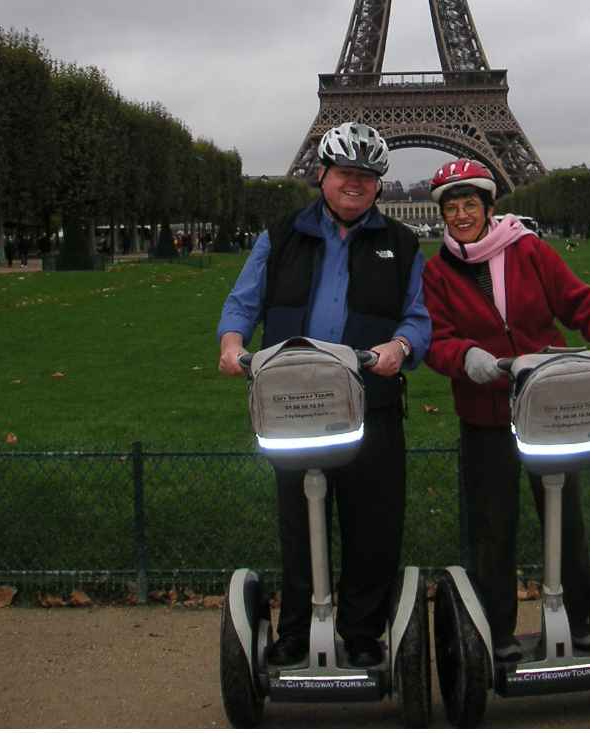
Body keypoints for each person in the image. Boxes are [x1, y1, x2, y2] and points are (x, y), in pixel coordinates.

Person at [217, 122, 431, 669]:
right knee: (298, 520)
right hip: (295, 400)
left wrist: (402, 347)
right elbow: (245, 298)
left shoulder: (402, 244)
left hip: (371, 401)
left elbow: (418, 316)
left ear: (378, 185)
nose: (354, 184)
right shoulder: (282, 234)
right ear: (322, 176)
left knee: (373, 523)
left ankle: (361, 630)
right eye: (344, 174)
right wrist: (232, 341)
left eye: (366, 176)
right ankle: (296, 626)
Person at [421, 158, 590, 662]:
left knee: (564, 516)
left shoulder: (528, 249)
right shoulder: (436, 271)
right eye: (451, 207)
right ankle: (496, 629)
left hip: (549, 406)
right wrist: (469, 359)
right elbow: (436, 338)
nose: (459, 215)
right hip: (486, 414)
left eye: (468, 204)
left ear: (489, 206)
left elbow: (577, 301)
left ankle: (579, 620)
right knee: (492, 526)